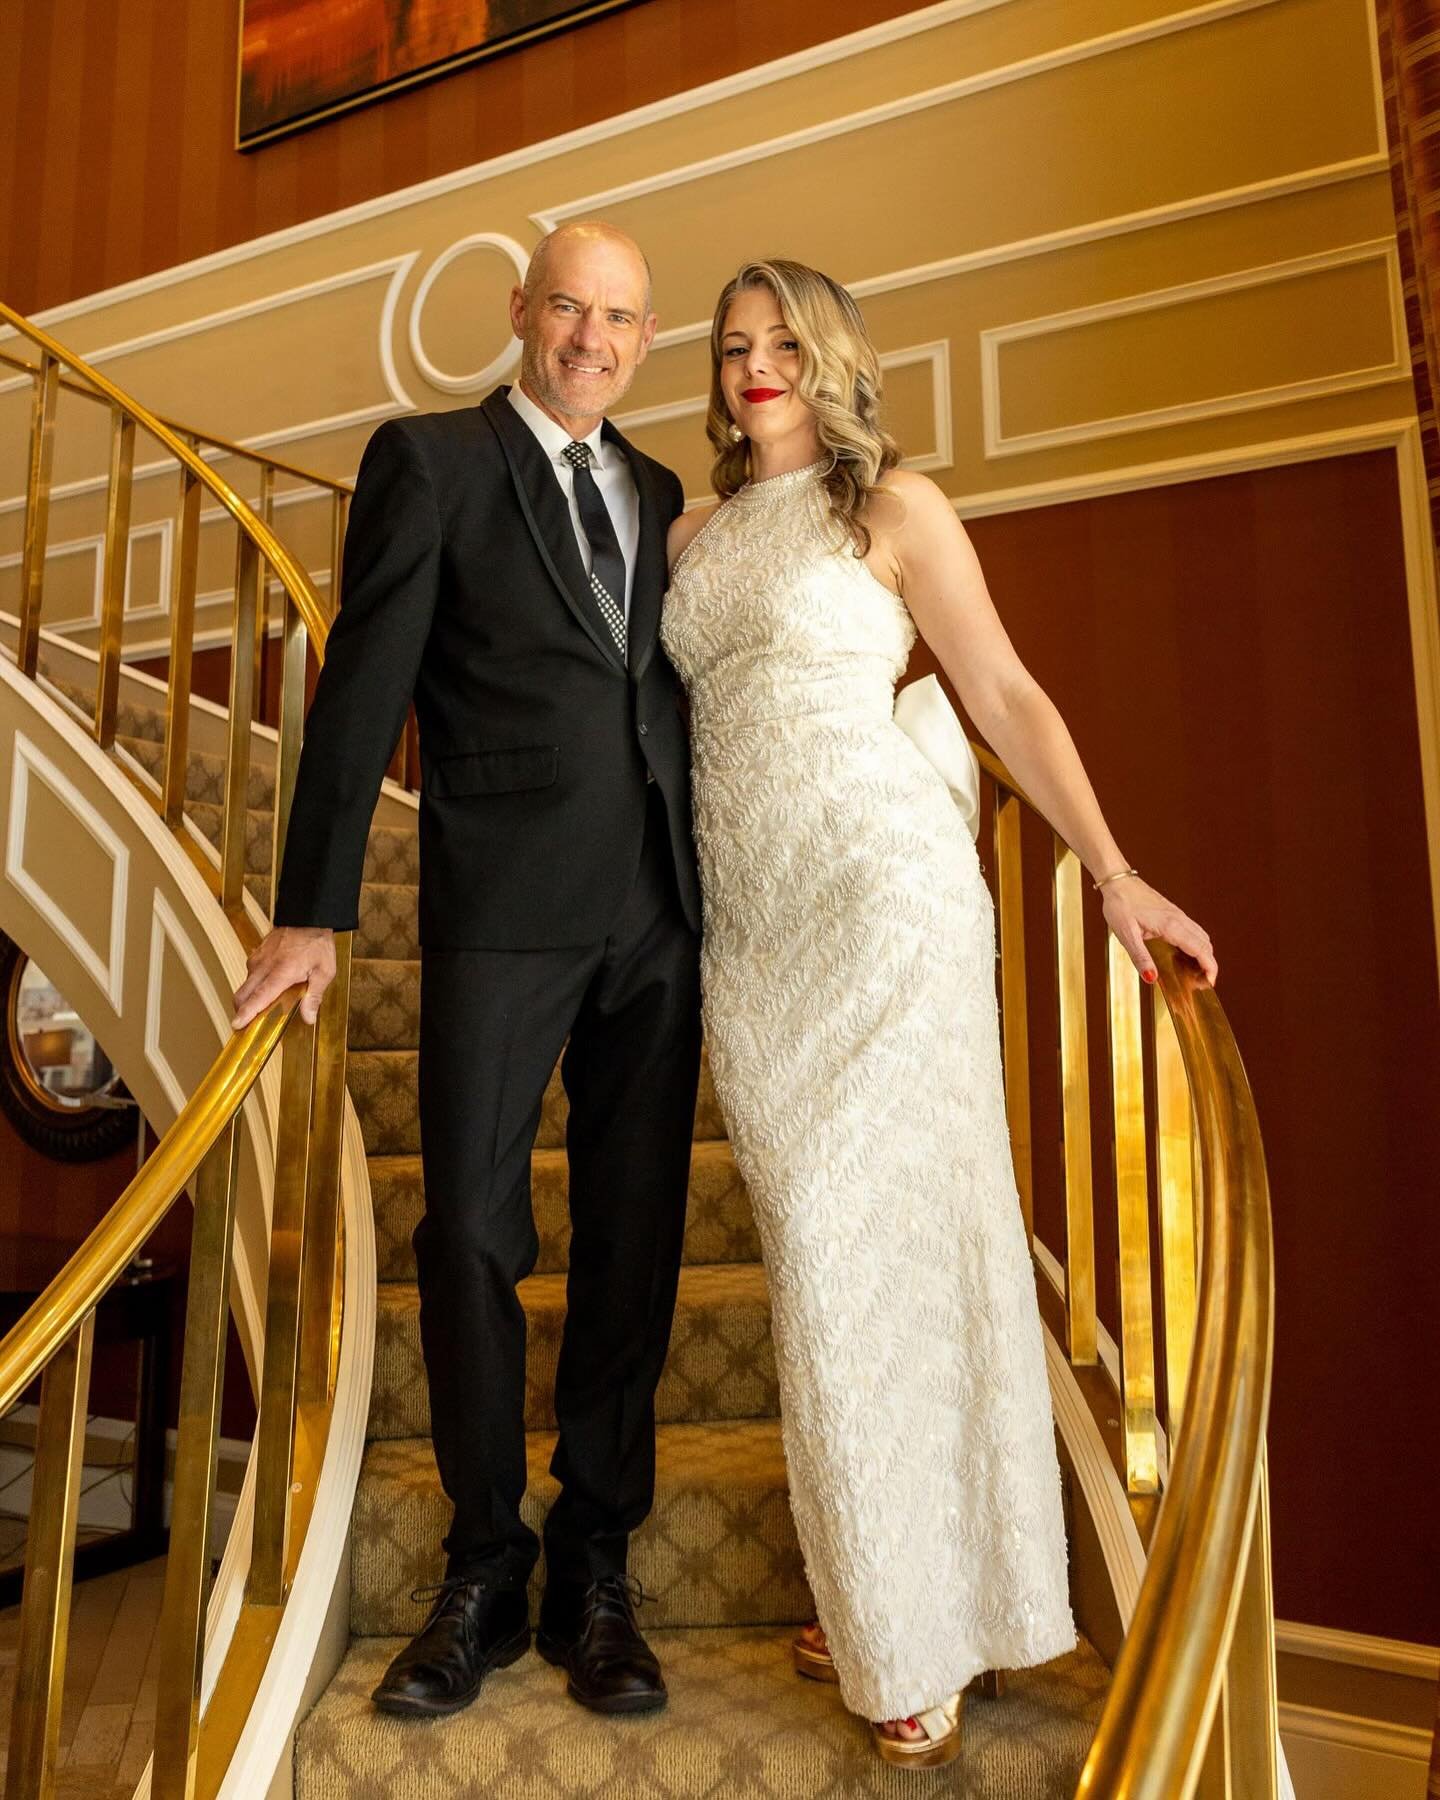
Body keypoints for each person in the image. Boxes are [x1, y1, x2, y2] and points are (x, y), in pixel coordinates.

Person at [660, 258, 1218, 1768]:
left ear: (830, 356)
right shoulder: (690, 532)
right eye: (732, 347)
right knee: (822, 1258)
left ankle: (912, 1627)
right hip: (757, 939)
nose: (756, 366)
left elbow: (1005, 692)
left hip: (886, 903)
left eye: (783, 341)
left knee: (880, 1253)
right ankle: (881, 1576)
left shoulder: (896, 507)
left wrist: (1112, 872)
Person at [231, 221, 704, 1721]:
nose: (592, 338)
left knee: (633, 1238)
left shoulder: (663, 486)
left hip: (658, 914)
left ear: (644, 336)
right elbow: (365, 677)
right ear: (520, 312)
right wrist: (315, 908)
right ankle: (487, 1562)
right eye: (568, 306)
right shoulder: (428, 462)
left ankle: (598, 1560)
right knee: (474, 1239)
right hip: (498, 907)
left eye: (620, 317)